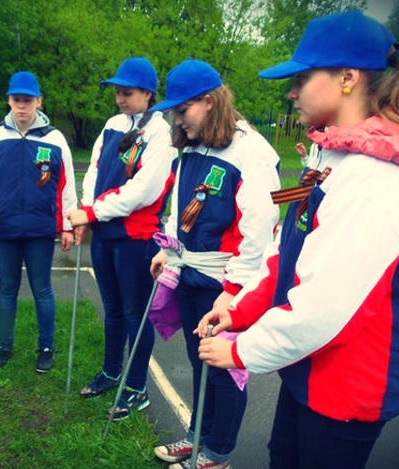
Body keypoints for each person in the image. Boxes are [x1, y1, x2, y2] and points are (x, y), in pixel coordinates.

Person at [195, 10, 399, 469]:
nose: (292, 90)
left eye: (302, 77)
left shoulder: (377, 177)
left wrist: (241, 350)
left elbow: (322, 308)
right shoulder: (334, 153)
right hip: (309, 370)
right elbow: (288, 251)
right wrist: (238, 307)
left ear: (347, 77)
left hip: (349, 388)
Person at [147, 59, 281, 469]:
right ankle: (198, 435)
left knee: (224, 368)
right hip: (189, 270)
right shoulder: (190, 145)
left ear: (209, 102)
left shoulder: (251, 151)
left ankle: (218, 452)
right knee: (197, 359)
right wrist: (168, 249)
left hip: (224, 281)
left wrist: (234, 289)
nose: (176, 119)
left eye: (182, 110)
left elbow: (260, 229)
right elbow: (178, 203)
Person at [67, 57, 178, 420]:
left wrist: (93, 212)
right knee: (112, 310)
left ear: (147, 93)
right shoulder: (114, 125)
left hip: (135, 238)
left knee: (135, 314)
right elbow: (94, 169)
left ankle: (136, 387)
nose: (119, 99)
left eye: (127, 92)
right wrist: (86, 210)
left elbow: (143, 190)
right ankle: (111, 372)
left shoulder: (161, 133)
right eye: (117, 92)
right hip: (104, 234)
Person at [0, 71, 77, 373]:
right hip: (5, 227)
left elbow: (66, 185)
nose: (22, 106)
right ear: (9, 101)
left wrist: (68, 225)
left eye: (28, 100)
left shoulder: (55, 140)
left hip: (41, 230)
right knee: (7, 288)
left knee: (42, 288)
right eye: (16, 100)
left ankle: (46, 346)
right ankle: (4, 345)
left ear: (38, 102)